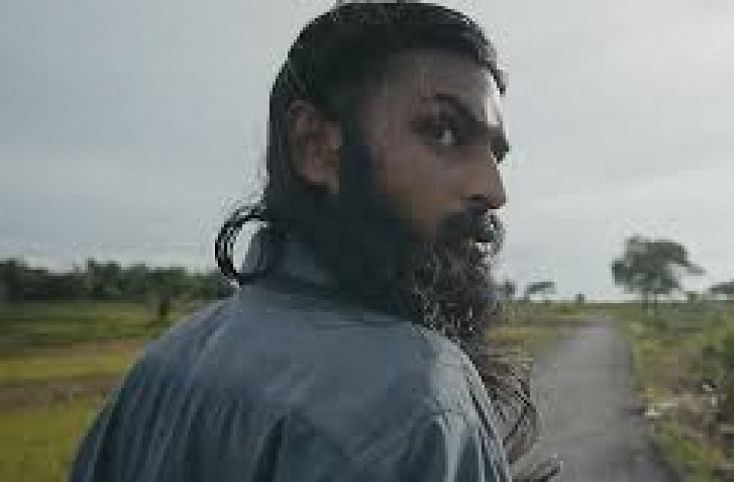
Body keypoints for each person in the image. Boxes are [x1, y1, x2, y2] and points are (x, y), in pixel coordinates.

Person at [70, 3, 559, 481]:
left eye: (496, 155)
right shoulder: (422, 400)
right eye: (444, 131)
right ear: (316, 146)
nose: (493, 190)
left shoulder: (161, 364)